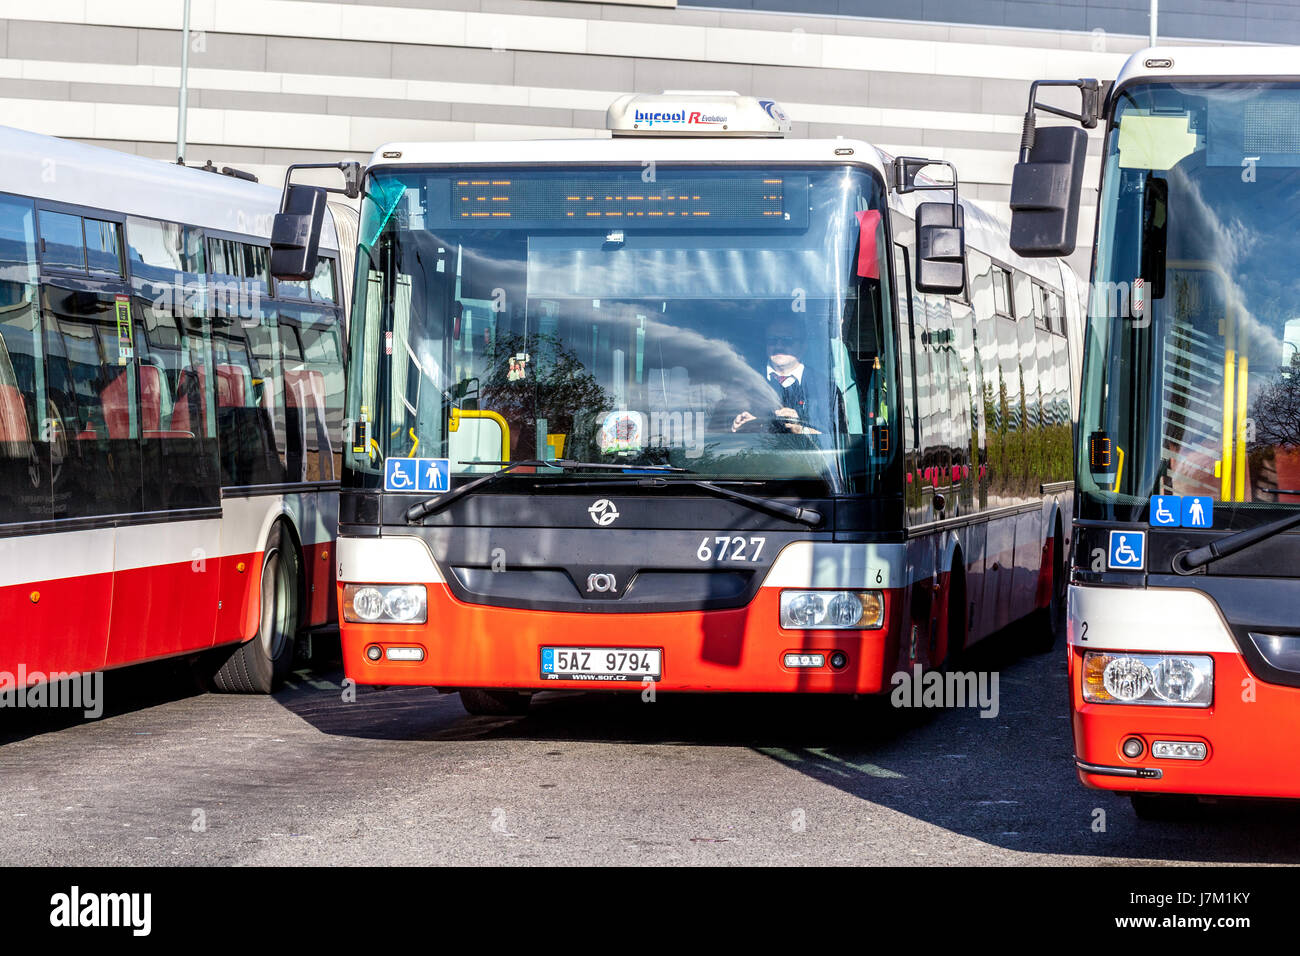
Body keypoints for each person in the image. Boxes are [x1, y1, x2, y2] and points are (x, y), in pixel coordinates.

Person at [730, 321, 821, 435]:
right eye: (772, 340)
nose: (779, 346)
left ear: (803, 346)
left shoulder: (823, 387)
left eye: (787, 340)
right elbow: (719, 435)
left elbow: (838, 439)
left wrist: (800, 429)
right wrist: (737, 426)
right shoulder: (745, 382)